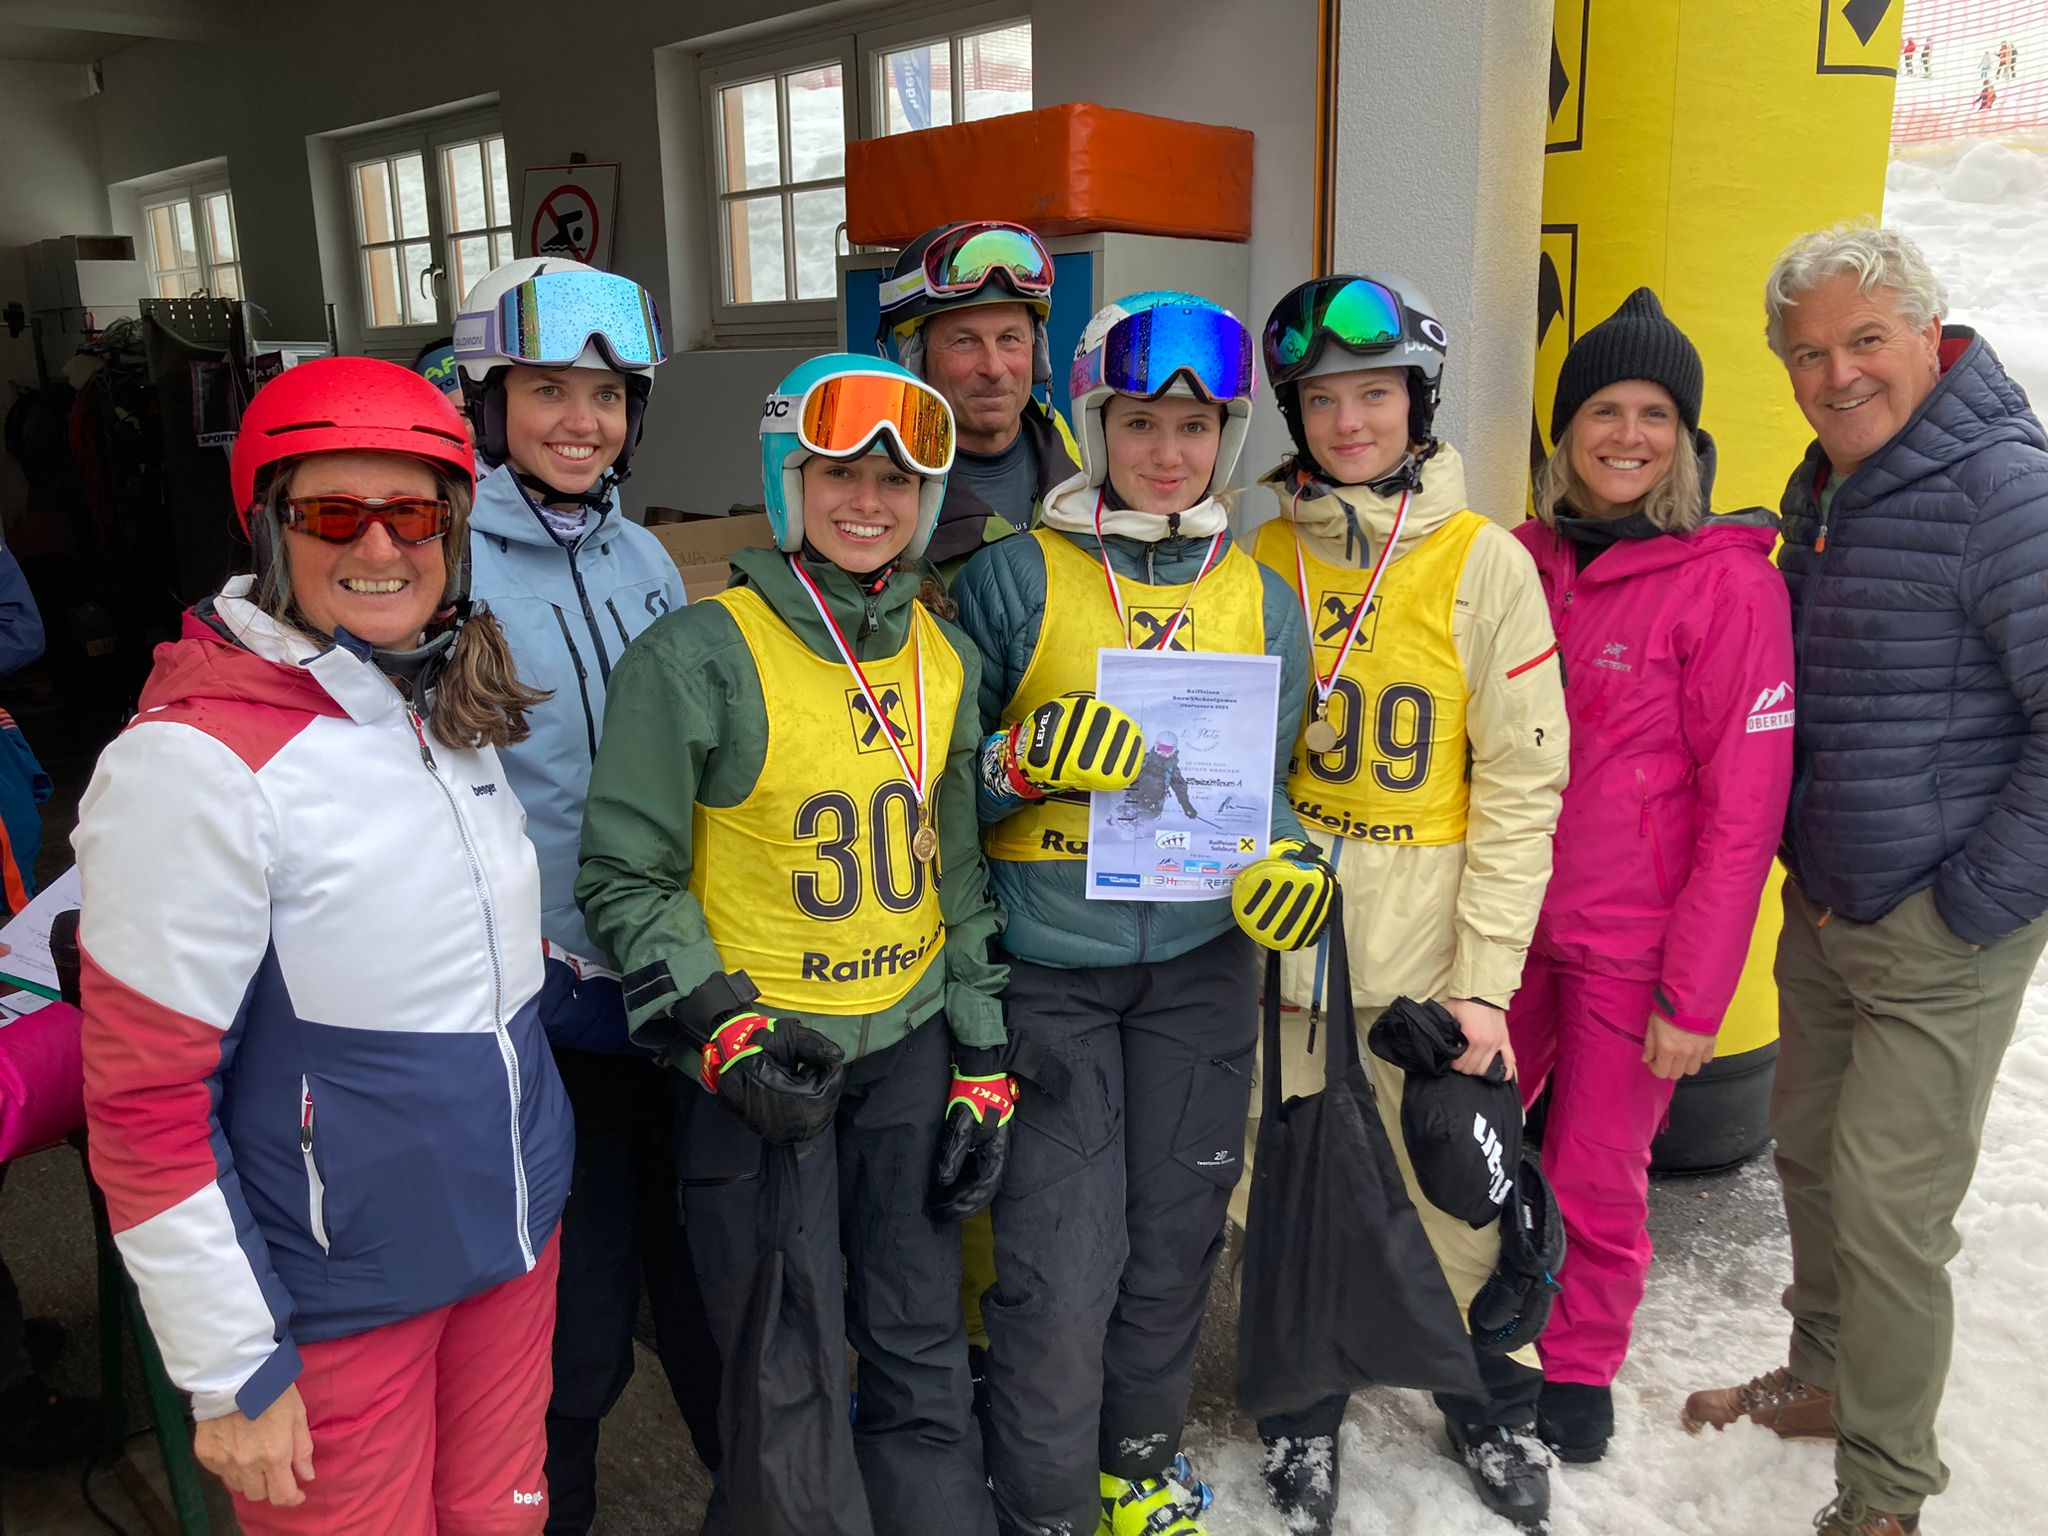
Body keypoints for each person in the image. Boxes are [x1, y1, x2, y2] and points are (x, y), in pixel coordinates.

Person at [72, 357, 573, 1531]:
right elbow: (143, 1104)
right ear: (268, 527)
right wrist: (230, 1364)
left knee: (504, 1520)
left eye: (411, 513)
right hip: (335, 1295)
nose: (380, 547)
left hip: (508, 1247)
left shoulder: (441, 702)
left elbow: (474, 972)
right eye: (334, 515)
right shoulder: (193, 764)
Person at [576, 354, 1007, 1536]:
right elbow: (625, 873)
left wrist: (978, 1059)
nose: (867, 502)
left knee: (920, 1336)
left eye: (895, 481)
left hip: (908, 1052)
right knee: (785, 1356)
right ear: (786, 481)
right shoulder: (698, 653)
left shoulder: (942, 655)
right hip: (763, 1068)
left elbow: (955, 871)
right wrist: (722, 1027)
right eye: (836, 475)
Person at [1682, 225, 2048, 1536]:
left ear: (1930, 339)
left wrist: (1972, 902)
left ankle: (1885, 1497)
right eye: (1807, 354)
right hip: (1831, 899)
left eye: (1865, 342)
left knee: (1891, 1203)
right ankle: (1828, 1375)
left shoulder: (2002, 487)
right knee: (1812, 1159)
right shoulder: (1827, 487)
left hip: (1941, 917)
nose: (1837, 376)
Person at [952, 291, 1325, 1536]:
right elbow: (936, 788)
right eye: (1139, 423)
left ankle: (1132, 1466)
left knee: (1172, 1244)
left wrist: (1292, 870)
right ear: (1094, 421)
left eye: (1194, 425)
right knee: (1060, 1266)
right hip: (1050, 966)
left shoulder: (1263, 595)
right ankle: (1046, 1498)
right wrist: (1021, 761)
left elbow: (1267, 791)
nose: (1167, 453)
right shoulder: (1010, 579)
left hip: (1202, 969)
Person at [1244, 273, 1569, 1532]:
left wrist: (1483, 979)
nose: (1348, 422)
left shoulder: (1481, 563)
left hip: (1428, 956)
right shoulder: (1257, 548)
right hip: (1287, 945)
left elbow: (1522, 783)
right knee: (1290, 1194)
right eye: (1322, 399)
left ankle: (1483, 1401)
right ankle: (1301, 1416)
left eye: (1373, 394)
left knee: (1455, 1199)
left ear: (1416, 402)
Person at [451, 257, 722, 1532]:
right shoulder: (448, 574)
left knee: (702, 1265)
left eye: (607, 394)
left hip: (669, 974)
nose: (580, 420)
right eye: (547, 388)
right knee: (579, 1308)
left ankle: (760, 1486)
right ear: (486, 396)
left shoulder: (649, 565)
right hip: (546, 998)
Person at [1509, 288, 1794, 1465]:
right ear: (1564, 431)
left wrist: (1695, 998)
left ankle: (1576, 1363)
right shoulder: (1516, 558)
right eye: (1600, 411)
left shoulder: (1725, 583)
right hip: (1506, 928)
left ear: (1685, 435)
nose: (1626, 435)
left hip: (1633, 949)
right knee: (1456, 1141)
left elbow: (1742, 812)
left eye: (1654, 414)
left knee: (1593, 1168)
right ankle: (1482, 1328)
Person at [880, 221, 1080, 575]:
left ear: (1037, 351)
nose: (994, 367)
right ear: (916, 360)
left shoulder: (1081, 460)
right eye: (964, 342)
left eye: (1009, 339)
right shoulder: (875, 493)